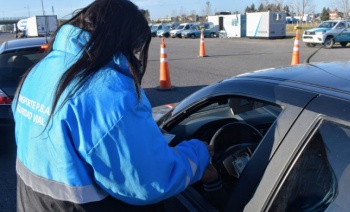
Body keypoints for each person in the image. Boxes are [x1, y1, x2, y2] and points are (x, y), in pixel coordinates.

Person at [12, 0, 216, 211]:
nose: (135, 56)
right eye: (135, 49)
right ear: (122, 40)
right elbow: (150, 180)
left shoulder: (40, 69)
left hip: (32, 203)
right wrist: (198, 153)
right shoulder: (108, 91)